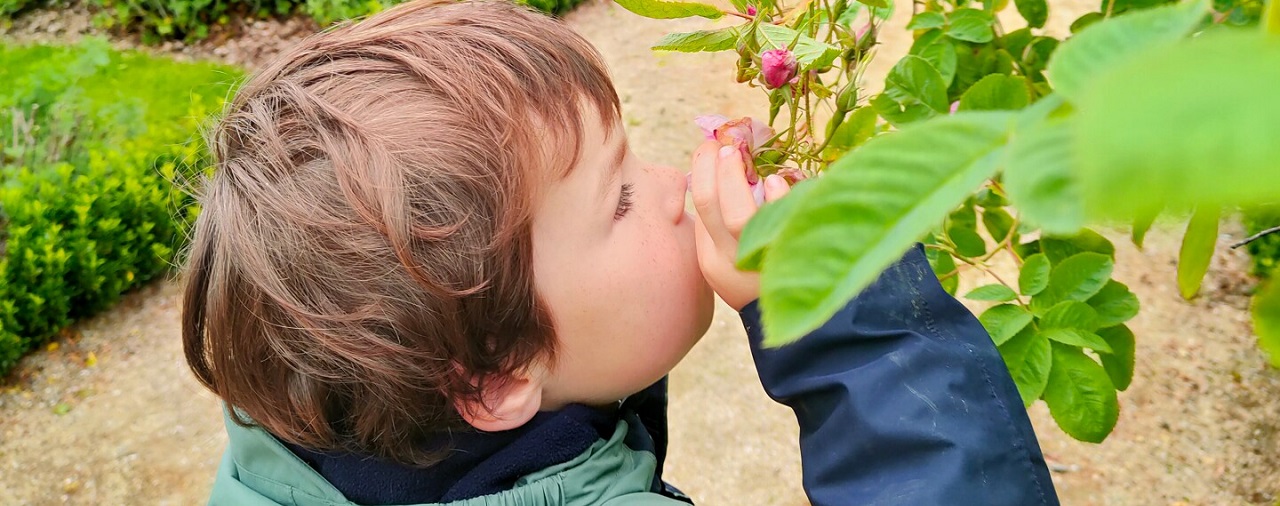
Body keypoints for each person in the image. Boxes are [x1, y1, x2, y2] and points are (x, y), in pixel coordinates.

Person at [180, 1, 1060, 504]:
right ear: (492, 378)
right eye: (624, 196)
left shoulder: (296, 437)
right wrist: (846, 312)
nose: (679, 182)